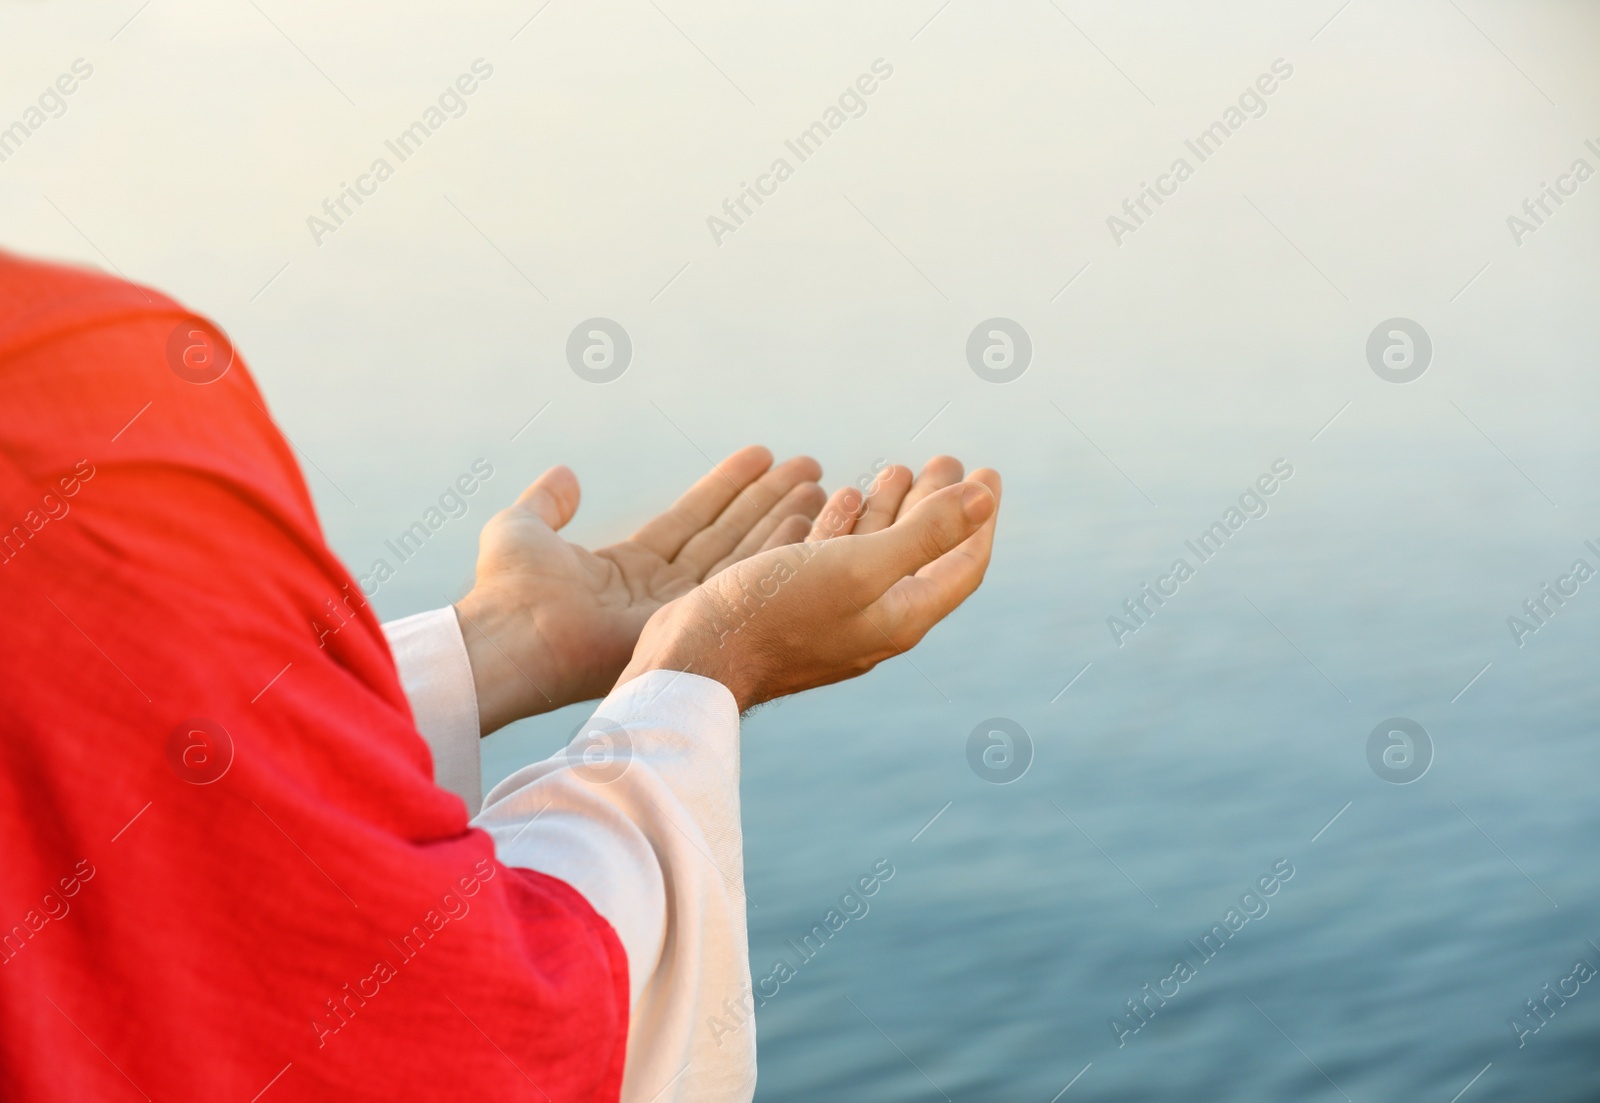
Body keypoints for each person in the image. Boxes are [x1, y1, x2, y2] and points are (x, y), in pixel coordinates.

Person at [0, 250, 1000, 1102]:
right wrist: (701, 675)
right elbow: (452, 1031)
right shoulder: (75, 408)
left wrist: (496, 645)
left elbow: (127, 790)